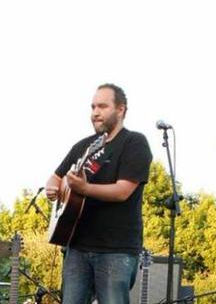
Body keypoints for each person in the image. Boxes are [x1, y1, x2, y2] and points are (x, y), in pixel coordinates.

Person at [45, 83, 152, 304]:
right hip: (77, 247)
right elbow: (55, 177)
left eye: (102, 106)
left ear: (120, 109)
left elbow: (123, 191)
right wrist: (53, 188)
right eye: (93, 107)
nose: (95, 113)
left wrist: (84, 189)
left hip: (116, 249)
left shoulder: (134, 143)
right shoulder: (83, 146)